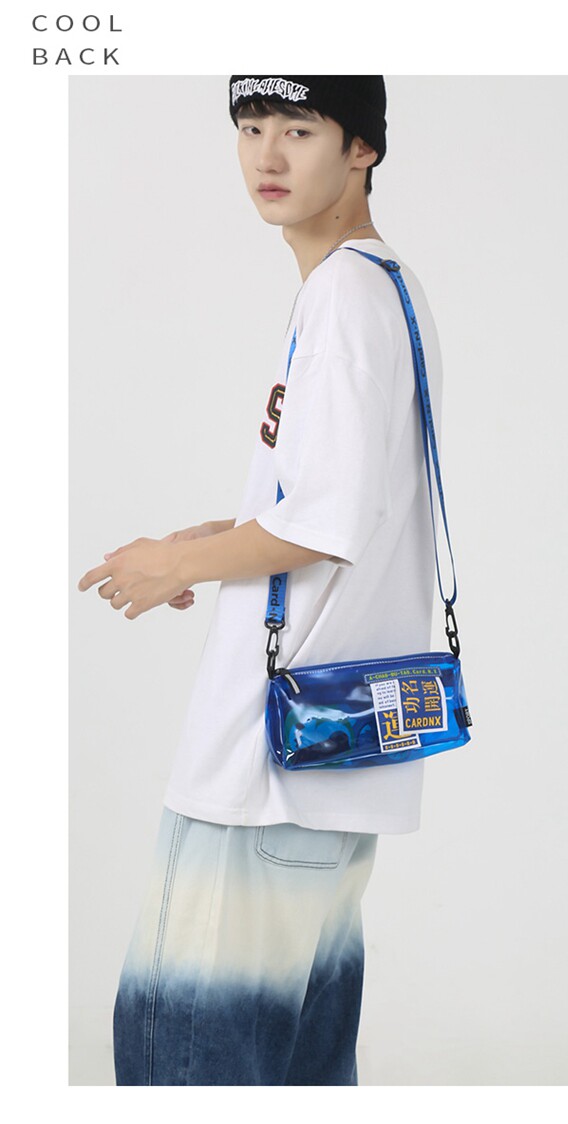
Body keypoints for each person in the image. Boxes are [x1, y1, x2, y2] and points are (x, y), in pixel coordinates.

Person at [78, 74, 447, 1085]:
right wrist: (220, 534)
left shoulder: (343, 296)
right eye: (250, 128)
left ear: (362, 148)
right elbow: (344, 498)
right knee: (298, 1070)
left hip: (265, 772)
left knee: (187, 1067)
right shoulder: (389, 287)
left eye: (299, 129)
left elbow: (325, 525)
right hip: (333, 771)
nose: (267, 156)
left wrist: (174, 564)